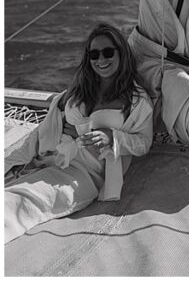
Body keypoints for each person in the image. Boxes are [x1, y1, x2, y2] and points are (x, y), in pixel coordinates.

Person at [5, 23, 154, 243]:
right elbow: (55, 115)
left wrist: (112, 137)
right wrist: (65, 124)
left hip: (84, 174)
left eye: (108, 52)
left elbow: (143, 142)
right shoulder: (81, 88)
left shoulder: (137, 99)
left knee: (22, 201)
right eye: (94, 54)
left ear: (121, 53)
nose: (101, 60)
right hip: (53, 156)